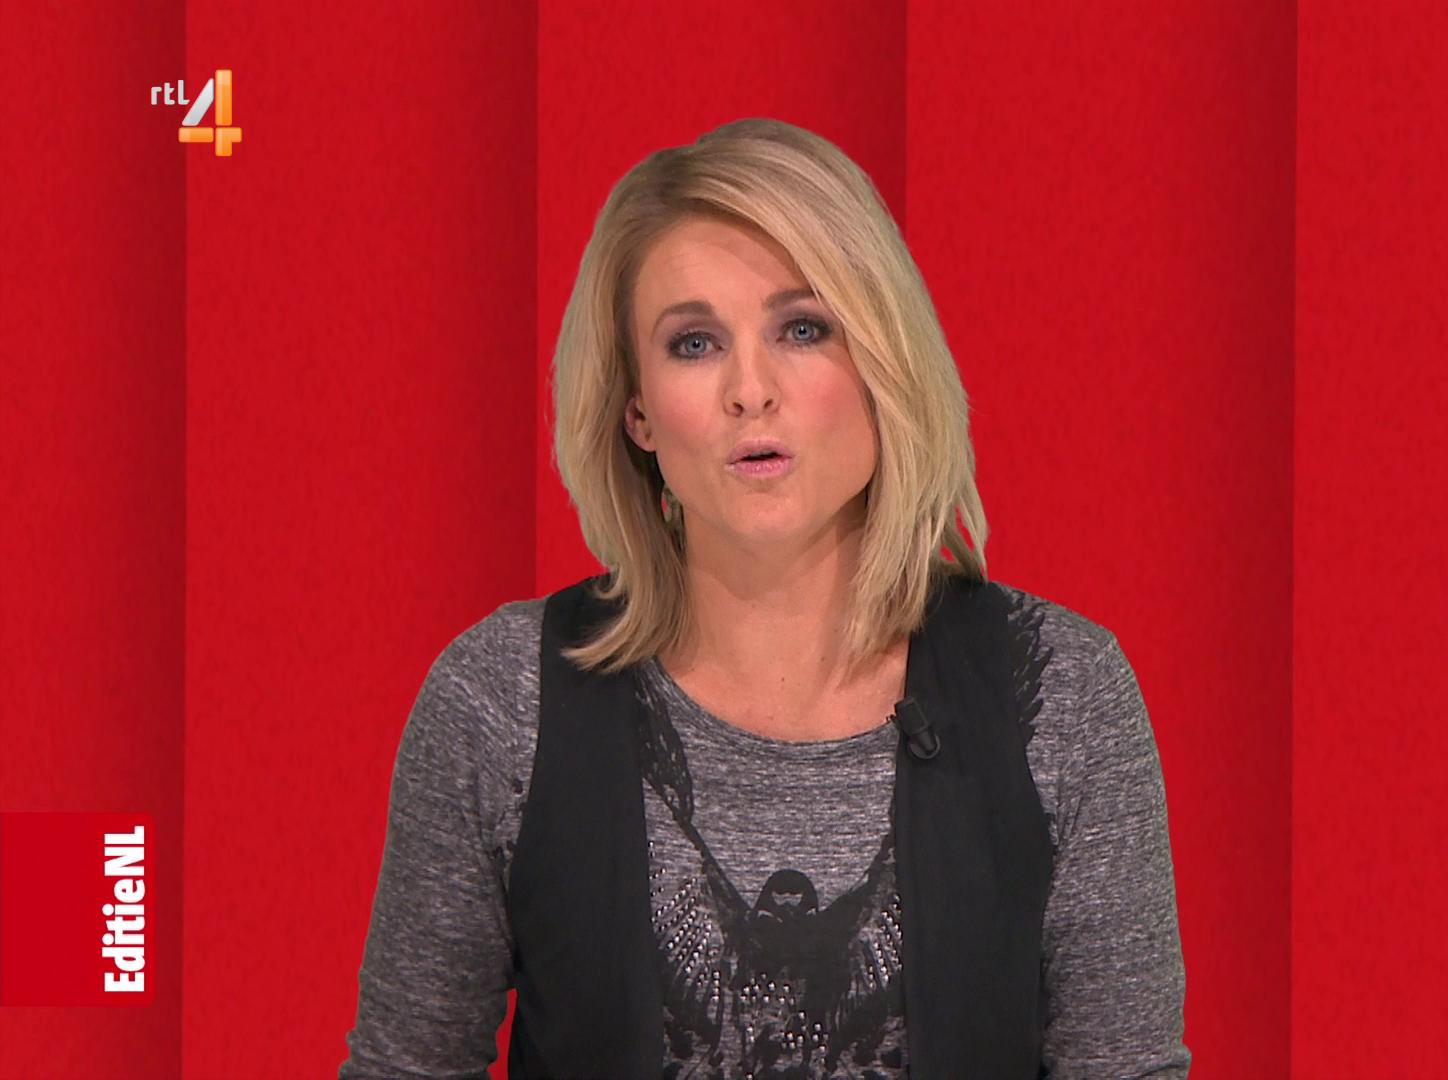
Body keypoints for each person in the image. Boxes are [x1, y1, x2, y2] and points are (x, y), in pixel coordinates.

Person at [340, 117, 1188, 1079]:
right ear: (637, 411)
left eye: (802, 328)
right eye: (695, 343)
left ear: (882, 361)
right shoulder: (503, 700)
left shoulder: (1061, 691)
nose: (751, 389)